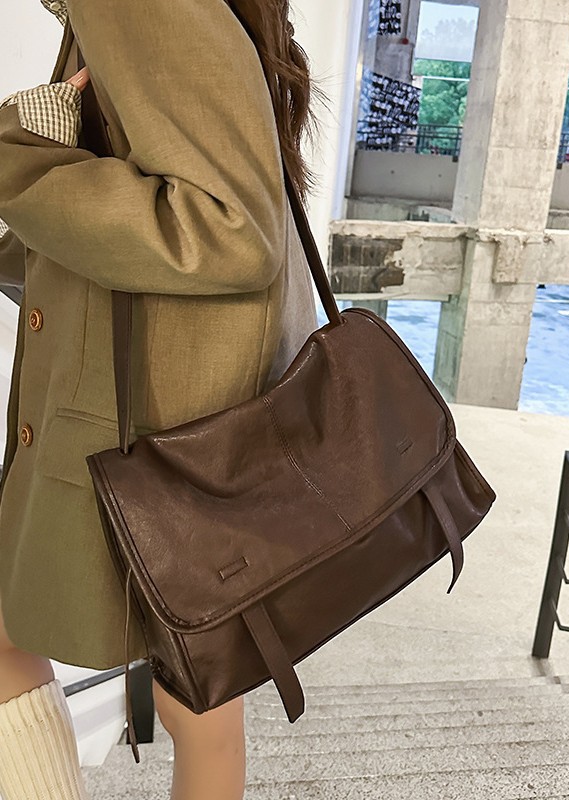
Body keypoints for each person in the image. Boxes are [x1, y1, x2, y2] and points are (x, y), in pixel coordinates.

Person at [0, 0, 321, 797]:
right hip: (180, 437)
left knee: (184, 699)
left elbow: (231, 230)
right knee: (200, 703)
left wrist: (20, 159)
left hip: (145, 439)